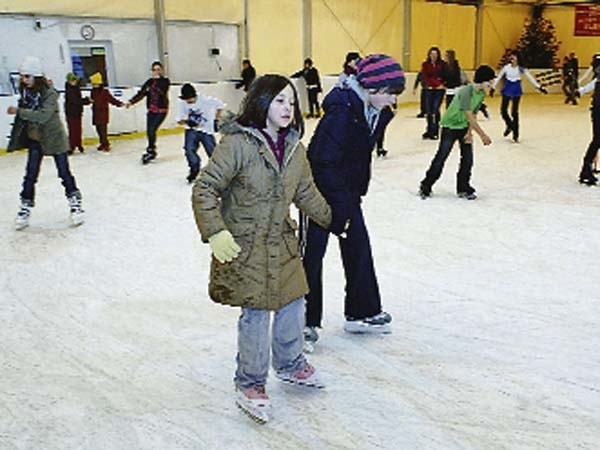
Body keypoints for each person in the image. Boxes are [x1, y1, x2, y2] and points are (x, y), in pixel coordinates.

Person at [191, 74, 342, 424]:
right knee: (257, 314)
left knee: (293, 301)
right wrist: (215, 231)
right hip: (246, 245)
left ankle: (289, 364)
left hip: (283, 243)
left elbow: (305, 192)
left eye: (292, 102)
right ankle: (250, 382)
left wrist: (334, 220)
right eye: (279, 101)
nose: (288, 108)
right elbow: (205, 189)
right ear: (261, 102)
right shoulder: (237, 145)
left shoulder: (294, 147)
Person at [302, 54, 405, 347]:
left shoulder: (373, 111)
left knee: (358, 246)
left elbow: (357, 157)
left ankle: (362, 312)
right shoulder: (342, 112)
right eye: (389, 94)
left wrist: (352, 197)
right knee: (311, 256)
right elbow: (321, 161)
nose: (392, 101)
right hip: (318, 193)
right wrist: (341, 205)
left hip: (346, 191)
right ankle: (302, 322)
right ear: (372, 88)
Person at [6, 56, 85, 230]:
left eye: (27, 76)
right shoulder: (26, 92)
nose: (23, 80)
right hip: (36, 139)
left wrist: (19, 111)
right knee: (30, 175)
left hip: (54, 139)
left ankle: (75, 203)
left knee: (64, 173)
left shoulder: (49, 93)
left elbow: (42, 116)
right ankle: (25, 206)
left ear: (36, 76)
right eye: (22, 76)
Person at [418, 65, 496, 201]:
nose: (491, 83)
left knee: (467, 159)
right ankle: (426, 185)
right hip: (450, 127)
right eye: (490, 81)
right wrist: (482, 135)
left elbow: (474, 113)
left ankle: (463, 188)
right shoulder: (466, 91)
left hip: (464, 127)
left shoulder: (481, 94)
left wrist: (470, 132)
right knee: (441, 157)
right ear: (483, 80)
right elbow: (468, 113)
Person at [490, 51, 547, 142]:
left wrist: (539, 87)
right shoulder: (506, 68)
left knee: (514, 112)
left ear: (518, 58)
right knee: (503, 110)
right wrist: (493, 88)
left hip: (516, 89)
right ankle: (510, 125)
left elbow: (530, 78)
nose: (512, 57)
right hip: (507, 88)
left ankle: (515, 133)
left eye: (514, 56)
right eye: (511, 56)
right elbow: (499, 77)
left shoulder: (521, 69)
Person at [175, 83, 225, 183]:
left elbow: (220, 105)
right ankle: (194, 169)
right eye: (186, 99)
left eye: (190, 99)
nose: (188, 101)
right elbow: (179, 120)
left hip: (206, 131)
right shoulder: (182, 102)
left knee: (212, 152)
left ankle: (219, 172)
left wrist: (216, 119)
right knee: (189, 150)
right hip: (191, 130)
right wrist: (187, 122)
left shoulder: (205, 100)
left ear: (195, 96)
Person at [127, 61, 171, 164]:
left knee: (152, 129)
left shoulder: (165, 81)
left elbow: (162, 90)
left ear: (162, 70)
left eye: (158, 69)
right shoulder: (149, 82)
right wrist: (131, 101)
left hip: (161, 110)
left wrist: (153, 84)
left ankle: (151, 149)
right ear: (151, 71)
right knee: (149, 131)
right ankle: (151, 149)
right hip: (151, 110)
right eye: (154, 70)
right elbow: (141, 93)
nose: (156, 72)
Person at [576, 53, 600, 186]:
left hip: (596, 109)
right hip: (598, 110)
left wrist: (581, 90)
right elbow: (591, 84)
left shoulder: (597, 80)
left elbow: (590, 85)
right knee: (597, 139)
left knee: (597, 140)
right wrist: (580, 90)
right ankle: (586, 168)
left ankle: (586, 168)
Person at [89, 72, 124, 151]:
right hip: (96, 113)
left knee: (103, 130)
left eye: (94, 83)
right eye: (93, 84)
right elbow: (92, 100)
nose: (93, 85)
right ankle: (102, 143)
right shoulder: (93, 91)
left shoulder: (104, 92)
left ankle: (106, 144)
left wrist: (119, 104)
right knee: (98, 129)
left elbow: (111, 100)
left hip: (103, 113)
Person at [421, 46, 446, 139]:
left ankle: (435, 130)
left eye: (435, 54)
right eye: (432, 54)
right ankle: (429, 130)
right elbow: (426, 77)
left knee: (435, 109)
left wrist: (441, 84)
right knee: (429, 111)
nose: (433, 56)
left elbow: (444, 76)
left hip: (439, 90)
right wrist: (434, 83)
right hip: (429, 89)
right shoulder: (425, 64)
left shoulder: (442, 64)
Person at [64, 72, 90, 154]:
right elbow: (76, 101)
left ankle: (78, 144)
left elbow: (78, 100)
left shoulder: (75, 89)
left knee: (78, 129)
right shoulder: (69, 91)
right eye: (73, 80)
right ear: (69, 81)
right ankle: (71, 146)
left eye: (75, 80)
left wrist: (85, 100)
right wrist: (86, 101)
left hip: (77, 112)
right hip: (71, 113)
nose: (74, 82)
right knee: (73, 130)